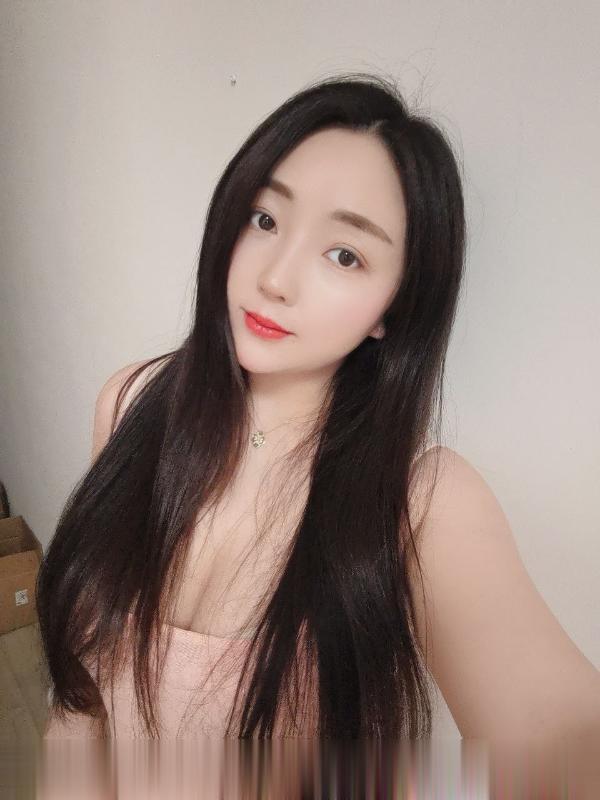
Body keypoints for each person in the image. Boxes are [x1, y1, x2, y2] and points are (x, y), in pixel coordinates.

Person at [37, 73, 600, 751]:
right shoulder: (129, 403)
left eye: (345, 254)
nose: (274, 278)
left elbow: (565, 740)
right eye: (265, 219)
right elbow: (81, 702)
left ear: (393, 308)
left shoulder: (422, 504)